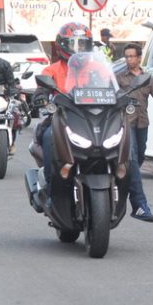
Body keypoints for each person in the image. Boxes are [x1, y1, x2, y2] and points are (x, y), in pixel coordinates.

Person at [36, 22, 95, 203]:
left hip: (93, 119)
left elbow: (112, 86)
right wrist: (41, 97)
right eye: (72, 44)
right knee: (48, 137)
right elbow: (41, 89)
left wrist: (122, 97)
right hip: (62, 118)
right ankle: (51, 188)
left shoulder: (97, 68)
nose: (78, 49)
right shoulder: (51, 69)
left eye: (82, 44)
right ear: (61, 45)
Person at [115, 42, 153, 223]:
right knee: (131, 157)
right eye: (127, 56)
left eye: (132, 56)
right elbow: (112, 94)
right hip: (126, 123)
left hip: (142, 123)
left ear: (139, 58)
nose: (129, 59)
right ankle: (139, 203)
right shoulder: (119, 77)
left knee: (138, 157)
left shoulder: (147, 77)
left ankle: (126, 183)